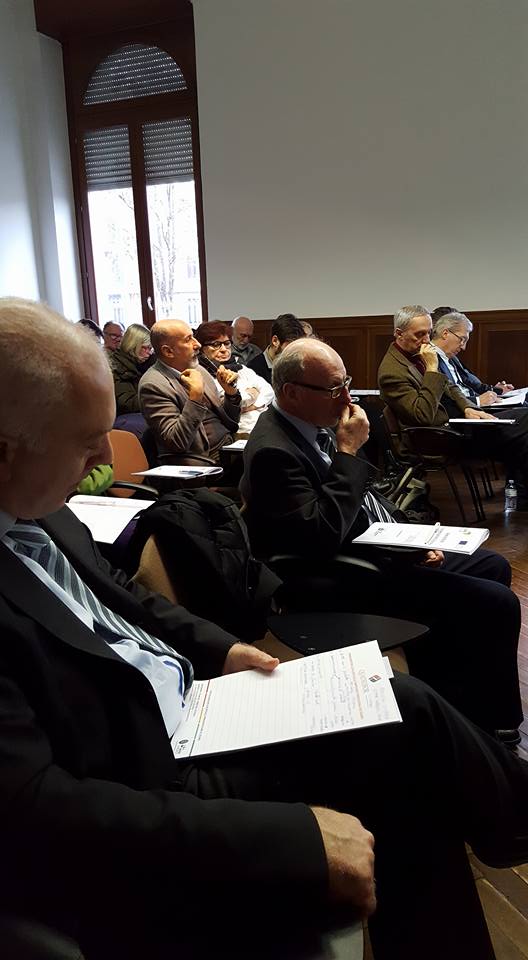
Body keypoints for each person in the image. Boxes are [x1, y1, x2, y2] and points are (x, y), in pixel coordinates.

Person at [2, 298, 528, 960]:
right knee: (405, 733)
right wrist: (294, 839)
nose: (103, 461)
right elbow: (32, 812)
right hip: (151, 771)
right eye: (86, 443)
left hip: (198, 708)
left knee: (396, 713)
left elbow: (125, 596)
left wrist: (222, 647)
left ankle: (510, 824)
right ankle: (514, 821)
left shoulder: (43, 510)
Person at [240, 337, 523, 743]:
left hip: (374, 546)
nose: (347, 397)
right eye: (334, 389)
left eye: (346, 383)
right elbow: (319, 537)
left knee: (491, 565)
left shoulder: (310, 425)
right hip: (341, 575)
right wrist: (348, 453)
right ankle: (495, 723)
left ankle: (457, 686)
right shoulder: (273, 452)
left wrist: (413, 538)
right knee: (497, 602)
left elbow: (367, 498)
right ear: (292, 392)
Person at [378, 305, 528, 501]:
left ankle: (521, 494)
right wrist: (432, 369)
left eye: (429, 333)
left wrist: (468, 407)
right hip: (439, 438)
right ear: (399, 334)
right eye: (420, 334)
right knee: (524, 423)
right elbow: (422, 416)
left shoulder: (417, 353)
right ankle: (521, 495)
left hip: (456, 426)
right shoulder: (391, 372)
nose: (427, 340)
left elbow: (450, 386)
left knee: (524, 424)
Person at [138, 319, 241, 461]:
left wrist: (231, 394)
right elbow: (176, 442)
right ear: (168, 351)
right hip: (202, 460)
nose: (197, 344)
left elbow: (231, 421)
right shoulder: (152, 385)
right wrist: (195, 398)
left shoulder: (198, 369)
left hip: (229, 447)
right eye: (188, 340)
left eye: (193, 337)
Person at [195, 321, 273, 434]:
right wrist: (253, 393)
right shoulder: (202, 374)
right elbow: (224, 405)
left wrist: (251, 406)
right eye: (216, 344)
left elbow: (268, 391)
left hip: (263, 426)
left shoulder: (241, 368)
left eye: (227, 343)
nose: (223, 349)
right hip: (239, 433)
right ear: (202, 348)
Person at [431, 307, 515, 395]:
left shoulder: (450, 357)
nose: (463, 347)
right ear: (445, 333)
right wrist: (478, 400)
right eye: (462, 339)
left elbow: (471, 385)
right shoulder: (430, 359)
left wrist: (496, 391)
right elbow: (446, 398)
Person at [247, 312, 305, 383]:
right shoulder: (253, 369)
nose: (294, 352)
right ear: (275, 341)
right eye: (290, 347)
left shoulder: (296, 365)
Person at [109, 323, 153, 415]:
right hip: (123, 415)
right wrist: (157, 398)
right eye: (145, 348)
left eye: (150, 348)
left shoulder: (139, 363)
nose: (149, 353)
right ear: (133, 345)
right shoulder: (117, 366)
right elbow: (127, 402)